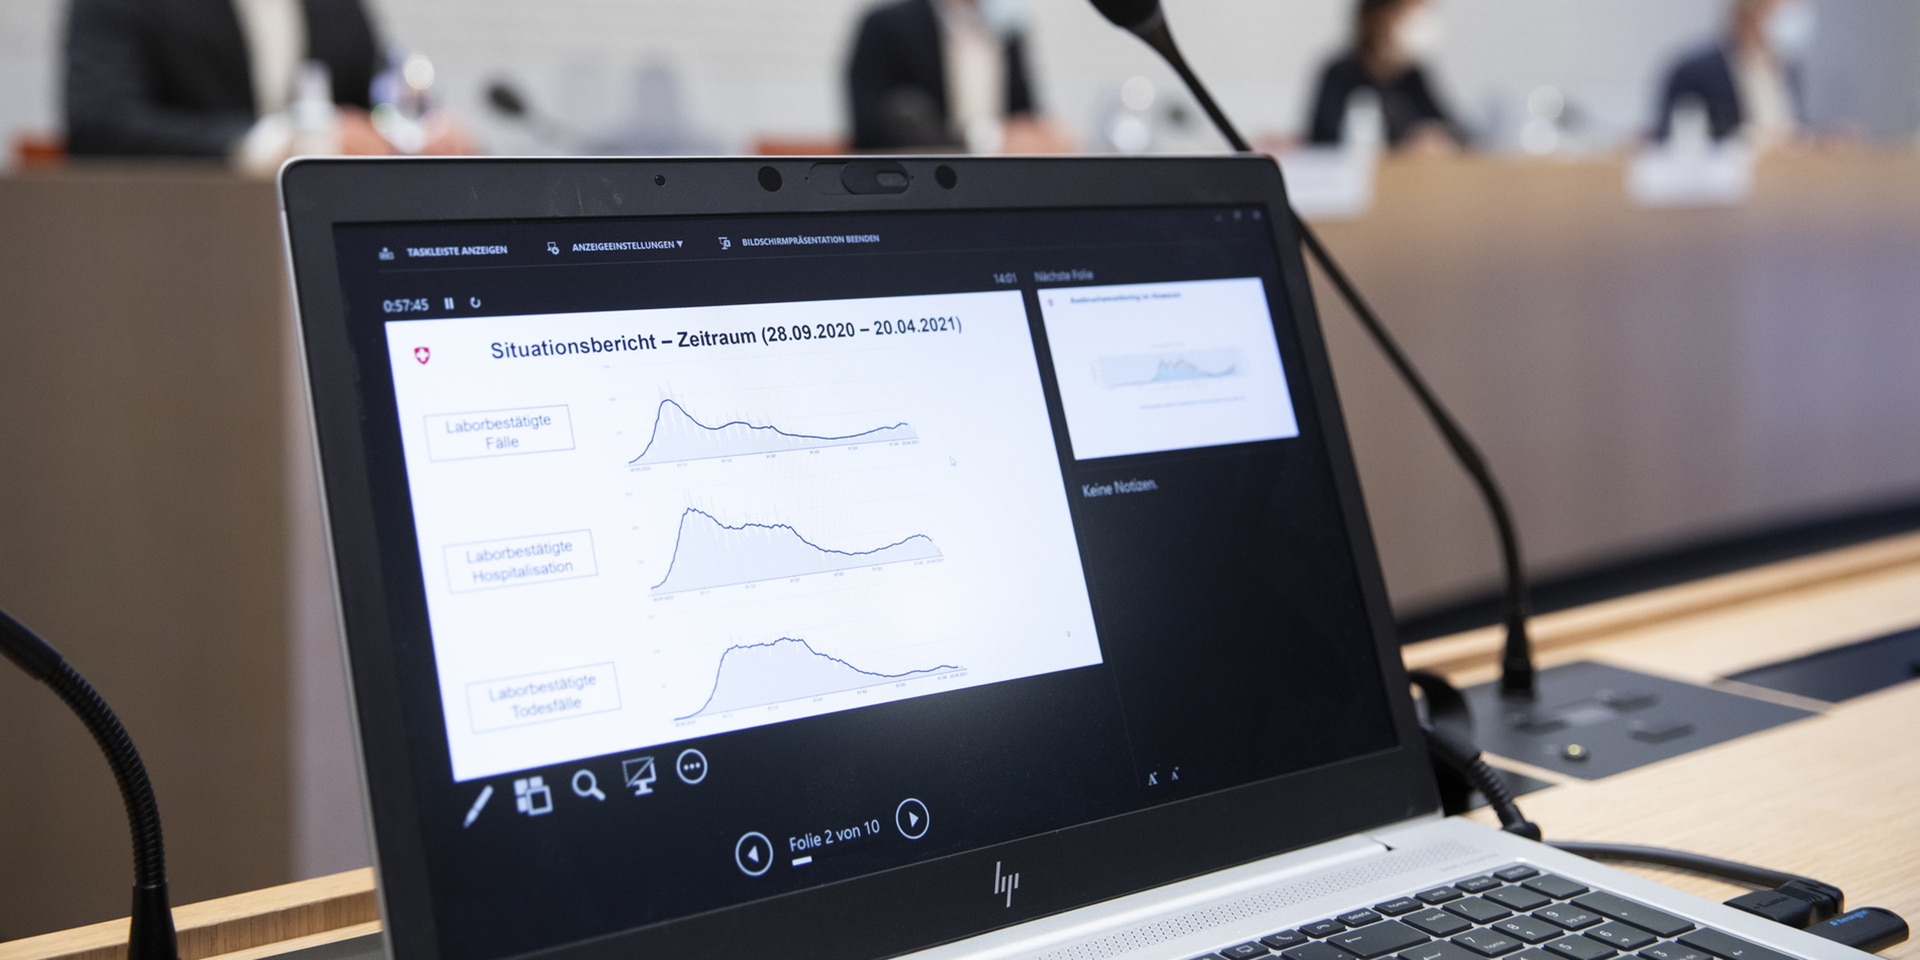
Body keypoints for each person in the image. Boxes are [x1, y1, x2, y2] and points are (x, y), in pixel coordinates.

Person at [63, 0, 465, 163]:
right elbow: (99, 124)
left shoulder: (334, 7)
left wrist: (414, 132)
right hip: (175, 232)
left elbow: (377, 87)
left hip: (320, 238)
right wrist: (276, 142)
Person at [845, 0, 1071, 153]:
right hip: (923, 191)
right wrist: (988, 140)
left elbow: (1024, 116)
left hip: (998, 188)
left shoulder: (1006, 30)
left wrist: (1042, 136)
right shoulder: (887, 26)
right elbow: (874, 129)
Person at [1306, 0, 1466, 153]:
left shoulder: (1413, 76)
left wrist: (1439, 138)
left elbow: (1457, 130)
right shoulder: (1340, 74)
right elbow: (1324, 139)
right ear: (1382, 17)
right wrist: (1403, 142)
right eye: (1410, 15)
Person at [1654, 0, 1814, 148]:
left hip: (1785, 174)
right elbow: (1672, 140)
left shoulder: (1787, 68)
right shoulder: (1694, 72)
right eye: (1783, 10)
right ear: (1752, 12)